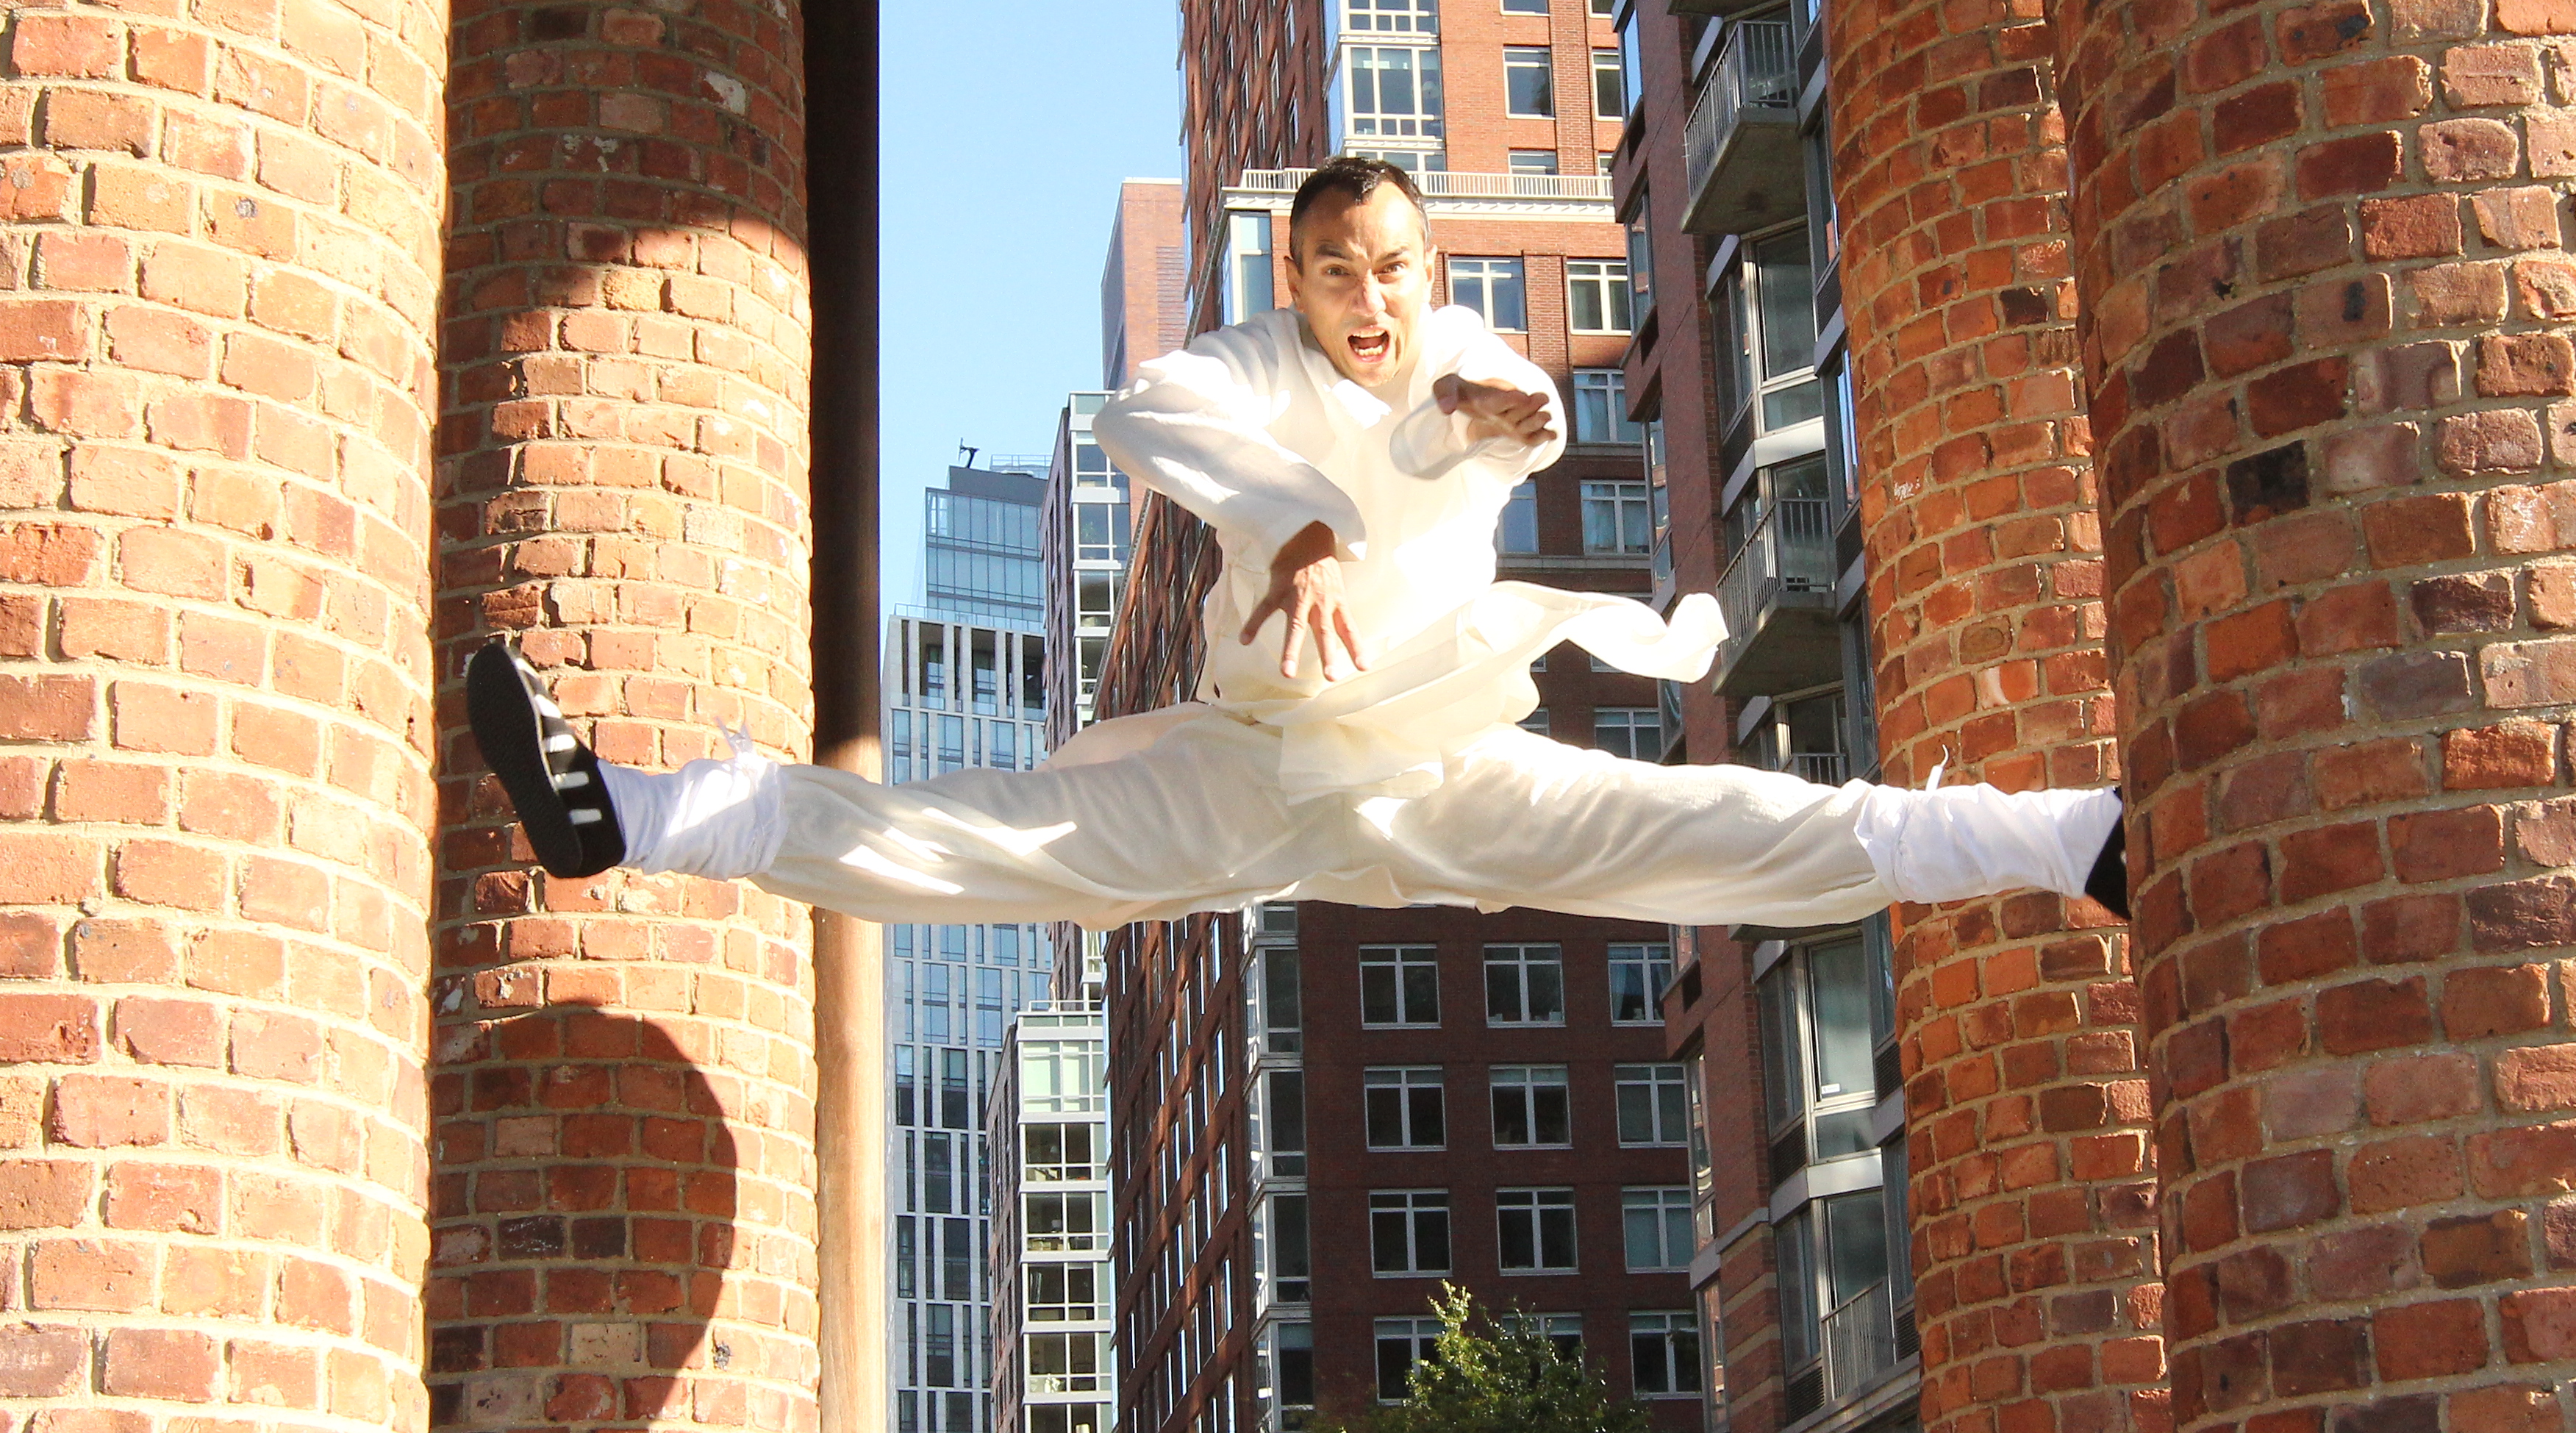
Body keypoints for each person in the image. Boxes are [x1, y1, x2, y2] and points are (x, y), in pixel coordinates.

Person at [463, 155, 2122, 933]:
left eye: (1395, 266)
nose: (1372, 299)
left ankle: (2070, 840)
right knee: (987, 839)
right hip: (1255, 767)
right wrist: (1291, 520)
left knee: (1737, 830)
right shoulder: (1246, 369)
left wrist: (1473, 430)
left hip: (1453, 769)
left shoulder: (1472, 356)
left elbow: (1485, 409)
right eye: (1339, 272)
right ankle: (641, 815)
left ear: (1425, 265)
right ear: (1298, 282)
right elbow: (1138, 419)